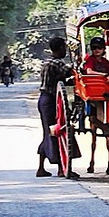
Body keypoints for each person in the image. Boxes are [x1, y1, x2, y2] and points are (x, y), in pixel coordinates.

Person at [36, 36, 77, 178]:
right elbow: (70, 72)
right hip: (50, 100)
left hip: (44, 99)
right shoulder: (56, 63)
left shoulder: (46, 62)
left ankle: (41, 168)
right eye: (64, 48)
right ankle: (62, 168)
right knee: (57, 132)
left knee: (48, 132)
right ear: (59, 49)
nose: (65, 50)